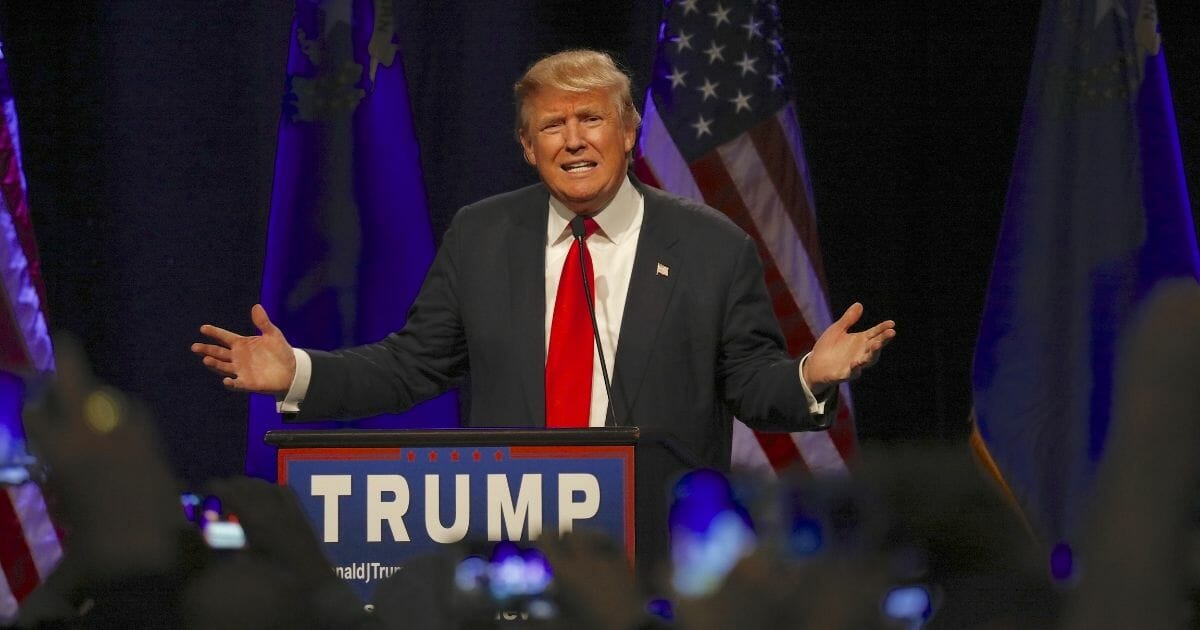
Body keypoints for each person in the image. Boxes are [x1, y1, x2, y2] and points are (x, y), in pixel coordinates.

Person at [191, 49, 895, 472]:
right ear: (529, 148)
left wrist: (809, 375)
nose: (573, 139)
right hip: (517, 534)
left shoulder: (712, 247)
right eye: (552, 125)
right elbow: (413, 365)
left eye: (590, 118)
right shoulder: (481, 234)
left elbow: (748, 384)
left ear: (627, 132)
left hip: (654, 547)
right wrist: (301, 372)